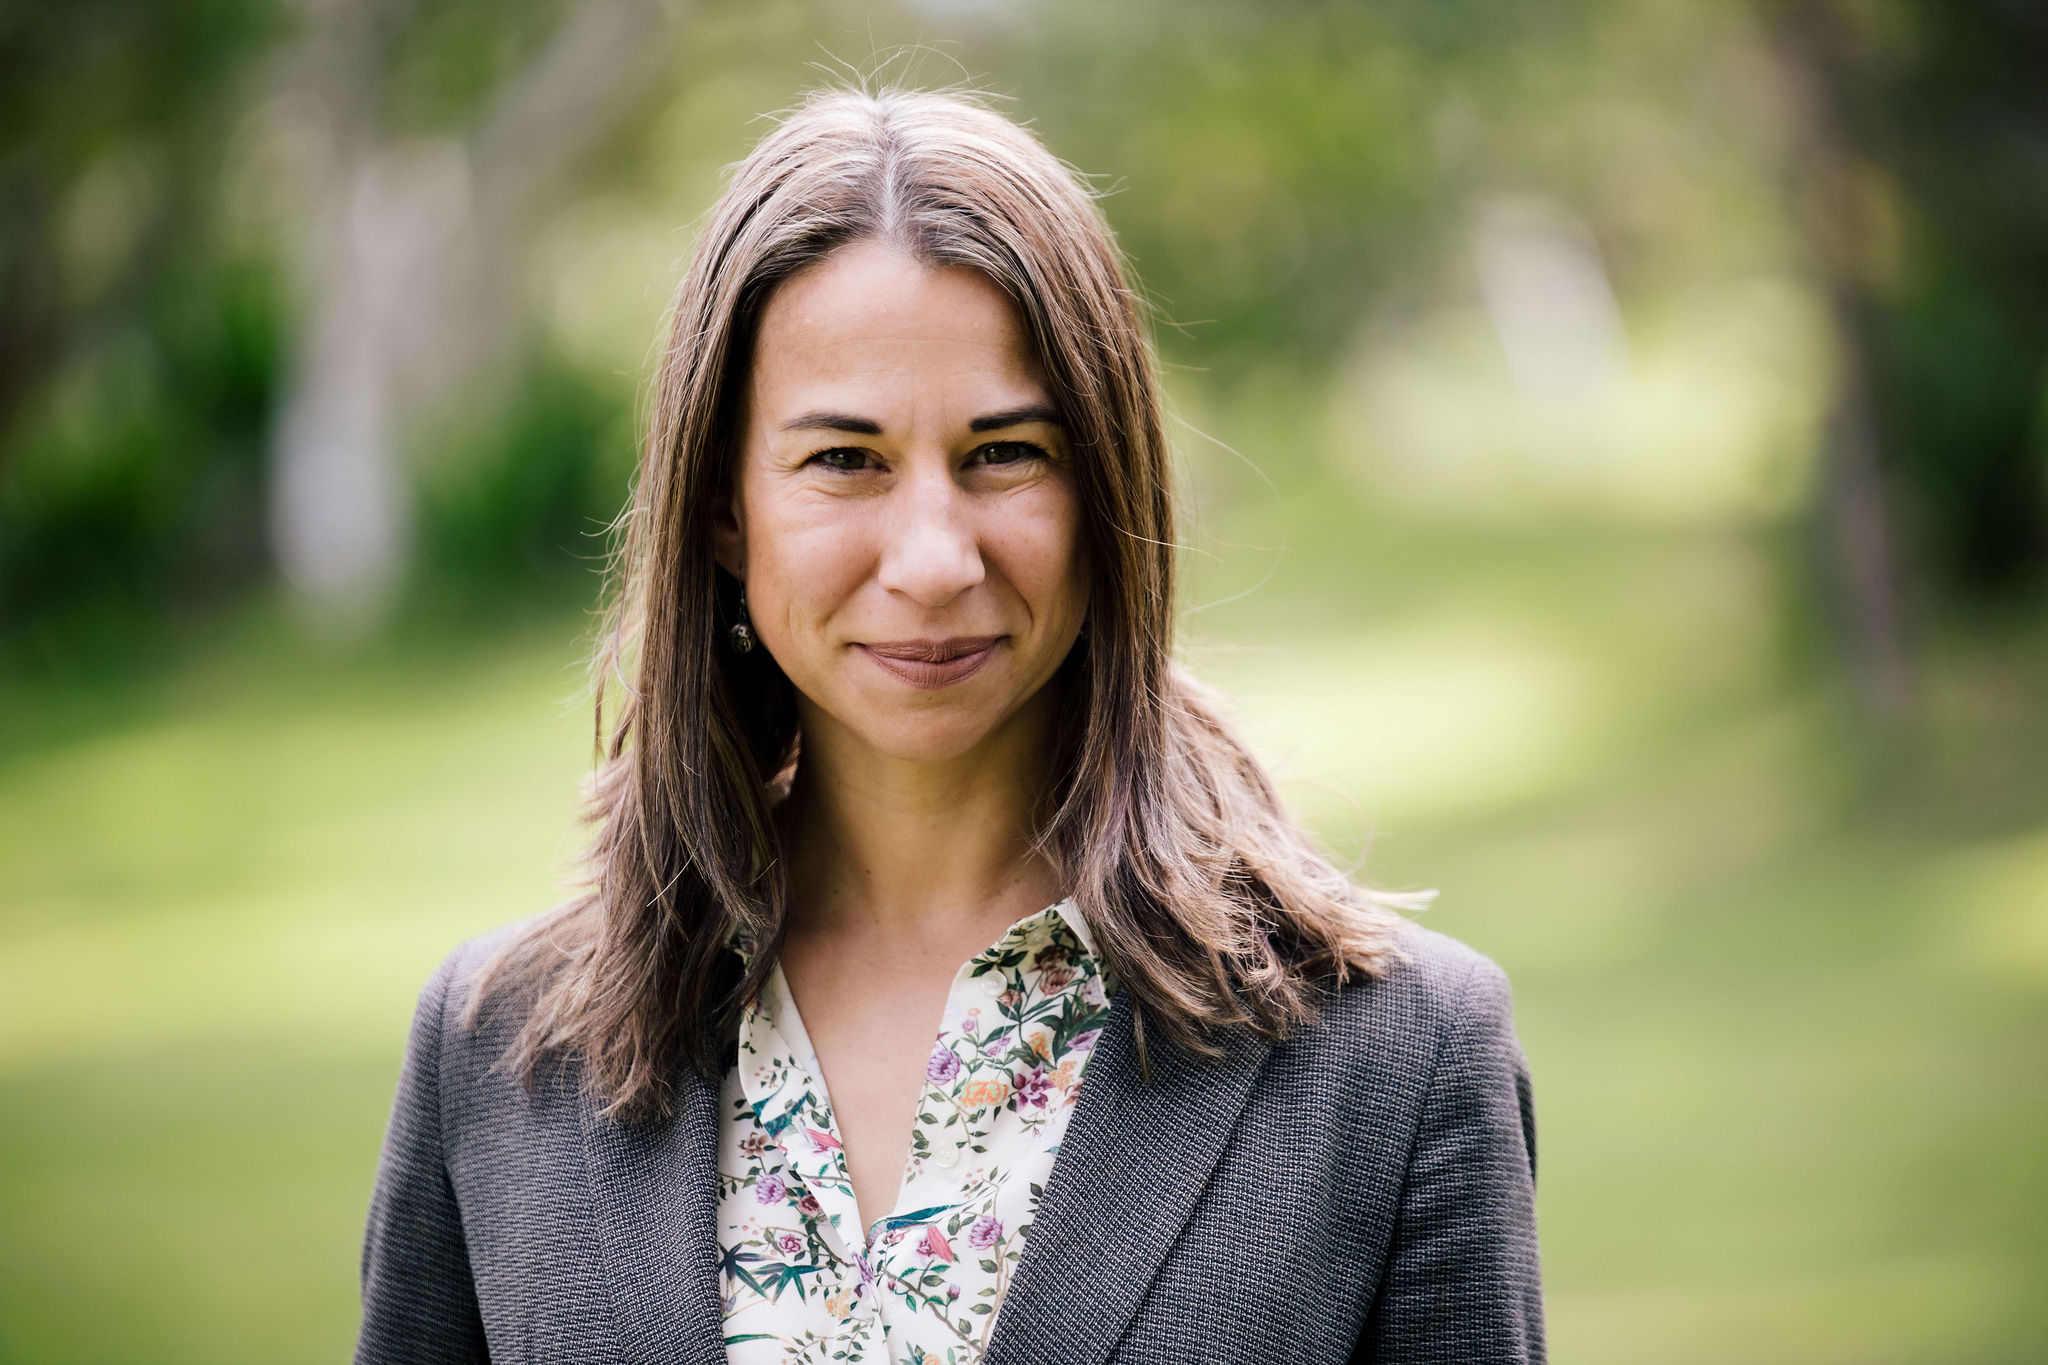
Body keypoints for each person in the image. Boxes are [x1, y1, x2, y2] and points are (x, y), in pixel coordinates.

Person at [355, 86, 1543, 1365]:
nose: (931, 560)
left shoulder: (1396, 1059)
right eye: (844, 460)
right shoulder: (494, 1052)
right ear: (721, 512)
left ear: (1106, 490)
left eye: (1004, 454)